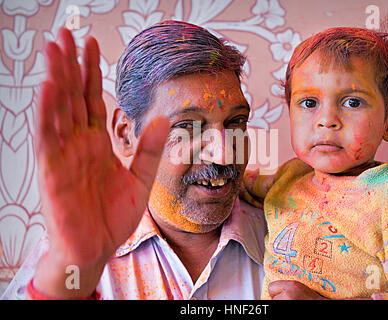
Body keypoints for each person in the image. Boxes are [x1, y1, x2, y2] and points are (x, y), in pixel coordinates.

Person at [2, 20, 267, 300]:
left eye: (236, 122)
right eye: (188, 126)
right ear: (125, 134)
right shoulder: (74, 249)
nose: (224, 153)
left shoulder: (289, 237)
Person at [242, 27, 388, 300]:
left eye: (352, 102)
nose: (327, 120)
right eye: (308, 102)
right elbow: (234, 184)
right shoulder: (288, 178)